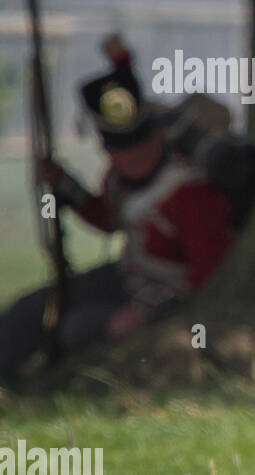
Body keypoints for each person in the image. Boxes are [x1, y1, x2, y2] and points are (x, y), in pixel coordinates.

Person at [0, 37, 237, 381]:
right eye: (122, 150)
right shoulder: (119, 179)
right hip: (127, 275)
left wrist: (146, 314)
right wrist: (65, 186)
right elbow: (109, 219)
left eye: (141, 144)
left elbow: (210, 271)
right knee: (31, 311)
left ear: (157, 135)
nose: (134, 156)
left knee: (78, 330)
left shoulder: (191, 192)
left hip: (164, 293)